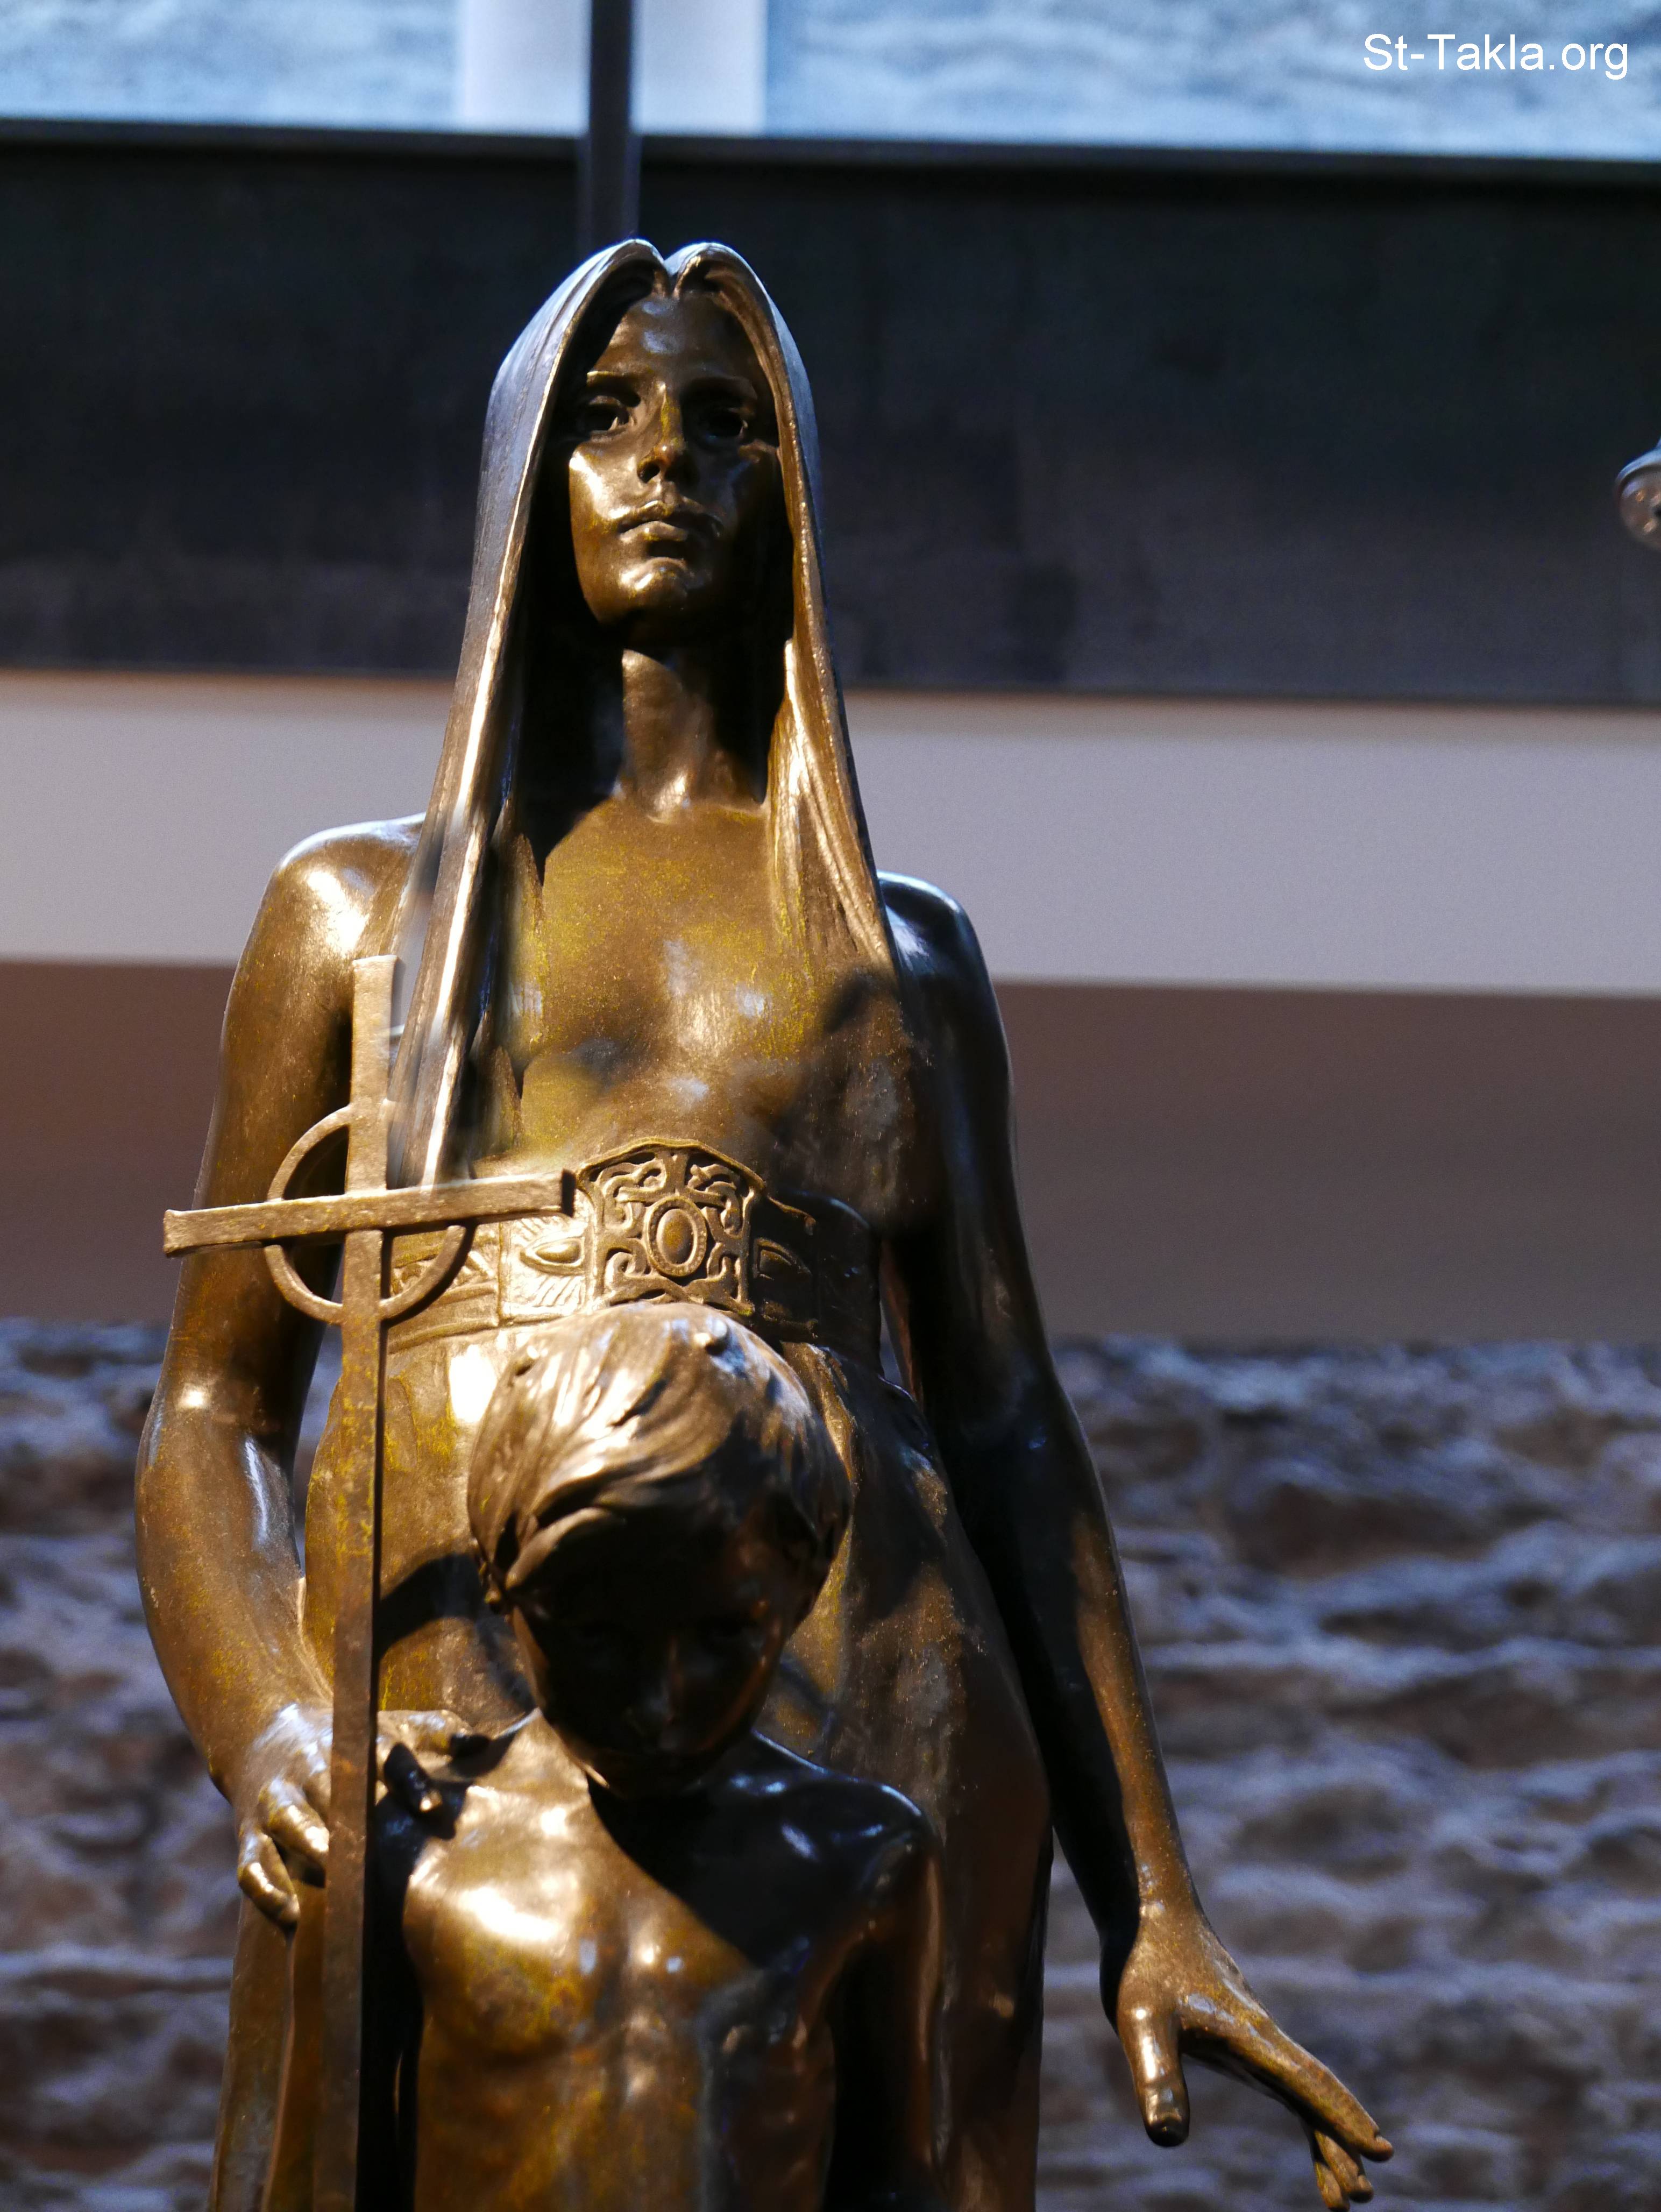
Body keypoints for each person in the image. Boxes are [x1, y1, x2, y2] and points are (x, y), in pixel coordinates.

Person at [137, 238, 1389, 2212]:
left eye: (726, 424)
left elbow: (1007, 1422)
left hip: (861, 1648)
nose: (667, 461)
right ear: (526, 475)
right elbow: (213, 1410)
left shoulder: (900, 954)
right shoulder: (356, 916)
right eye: (609, 415)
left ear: (790, 491)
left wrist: (1150, 1892)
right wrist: (267, 1719)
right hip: (459, 1645)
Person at [347, 1302, 943, 2212]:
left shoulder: (863, 1859)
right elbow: (321, 2178)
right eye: (596, 1636)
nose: (661, 1709)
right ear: (499, 1582)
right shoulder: (408, 1847)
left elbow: (895, 2188)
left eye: (722, 1636)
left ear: (805, 1586)